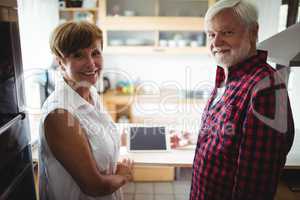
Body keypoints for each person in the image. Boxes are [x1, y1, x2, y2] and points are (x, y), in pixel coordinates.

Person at [190, 0, 294, 200]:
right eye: (211, 34)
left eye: (227, 32)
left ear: (253, 33)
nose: (216, 43)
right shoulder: (227, 77)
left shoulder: (266, 89)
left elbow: (255, 183)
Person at [38, 21, 133, 200]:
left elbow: (97, 135)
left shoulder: (90, 93)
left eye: (95, 53)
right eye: (78, 55)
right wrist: (123, 176)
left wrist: (148, 136)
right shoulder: (60, 114)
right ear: (60, 62)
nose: (91, 64)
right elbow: (94, 187)